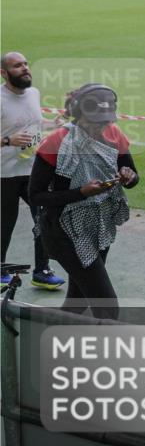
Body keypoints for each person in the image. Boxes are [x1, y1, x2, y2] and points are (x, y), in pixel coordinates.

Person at [29, 83, 139, 320]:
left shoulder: (115, 135)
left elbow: (132, 175)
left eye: (105, 121)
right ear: (79, 114)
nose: (101, 127)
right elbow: (35, 196)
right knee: (107, 306)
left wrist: (129, 177)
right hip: (63, 231)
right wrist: (81, 192)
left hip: (99, 227)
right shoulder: (55, 144)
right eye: (95, 121)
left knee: (77, 301)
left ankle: (50, 343)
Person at [1, 52, 66, 290]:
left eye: (26, 64)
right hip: (4, 174)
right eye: (17, 66)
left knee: (45, 220)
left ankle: (42, 271)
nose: (25, 68)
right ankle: (0, 269)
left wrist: (53, 123)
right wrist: (8, 141)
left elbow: (34, 123)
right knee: (5, 224)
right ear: (4, 73)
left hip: (33, 171)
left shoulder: (33, 93)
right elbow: (13, 133)